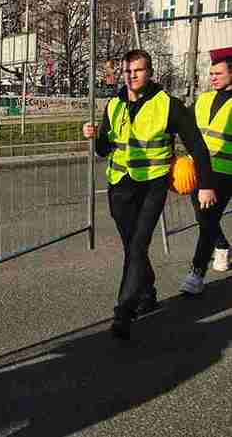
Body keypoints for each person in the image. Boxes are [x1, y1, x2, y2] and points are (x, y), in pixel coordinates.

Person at [83, 48, 216, 340]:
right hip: (119, 185)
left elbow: (197, 146)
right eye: (127, 71)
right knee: (132, 245)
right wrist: (95, 136)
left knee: (138, 244)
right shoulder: (114, 104)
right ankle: (148, 289)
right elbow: (105, 149)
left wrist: (206, 184)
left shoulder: (168, 105)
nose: (131, 76)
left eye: (138, 71)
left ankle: (124, 311)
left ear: (150, 72)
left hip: (151, 186)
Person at [180, 55, 232, 294]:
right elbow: (182, 122)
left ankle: (197, 274)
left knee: (208, 221)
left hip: (225, 173)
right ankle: (222, 246)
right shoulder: (203, 99)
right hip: (198, 170)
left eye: (218, 73)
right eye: (211, 73)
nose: (213, 77)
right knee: (204, 219)